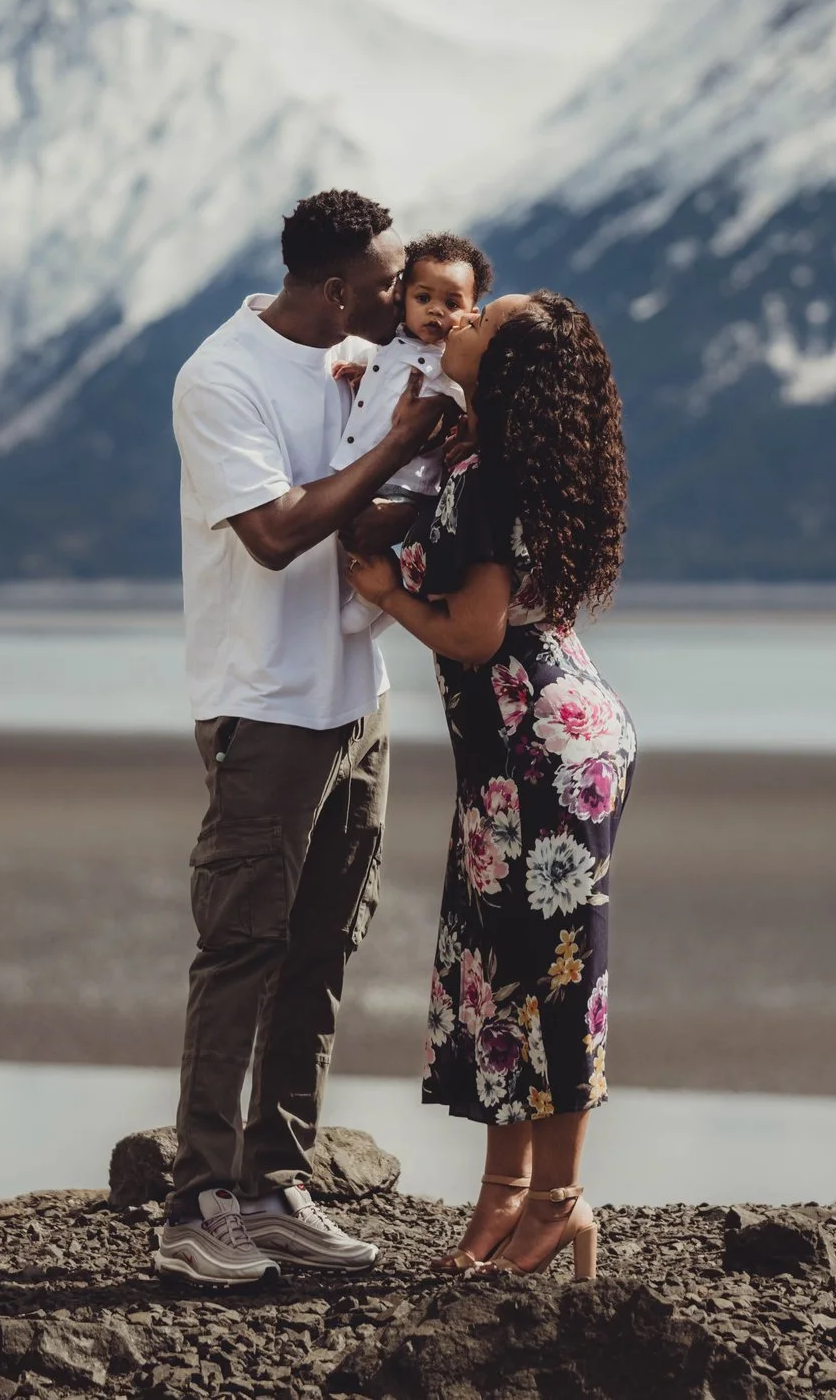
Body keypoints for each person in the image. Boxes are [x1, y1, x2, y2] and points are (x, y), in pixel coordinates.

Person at [156, 188, 453, 1287]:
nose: (399, 301)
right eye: (385, 286)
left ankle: (277, 1185)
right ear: (334, 287)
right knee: (242, 947)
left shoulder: (362, 368)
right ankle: (194, 1205)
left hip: (355, 700)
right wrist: (402, 445)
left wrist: (428, 456)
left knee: (324, 945)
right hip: (265, 705)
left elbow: (363, 514)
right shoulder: (219, 376)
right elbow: (278, 532)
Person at [342, 289, 632, 1281]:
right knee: (500, 973)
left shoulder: (493, 477)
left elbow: (473, 633)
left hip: (537, 749)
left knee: (549, 975)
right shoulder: (491, 457)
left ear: (503, 368)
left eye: (480, 323)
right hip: (535, 741)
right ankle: (506, 1200)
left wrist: (385, 594)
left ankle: (556, 1203)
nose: (456, 319)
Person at [333, 233, 491, 636]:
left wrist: (471, 428)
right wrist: (362, 371)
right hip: (367, 461)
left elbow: (467, 399)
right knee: (345, 524)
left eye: (452, 304)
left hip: (408, 480)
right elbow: (384, 369)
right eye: (424, 299)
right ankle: (391, 594)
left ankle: (375, 602)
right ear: (403, 296)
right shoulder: (390, 344)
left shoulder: (449, 362)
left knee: (364, 531)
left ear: (472, 313)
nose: (436, 311)